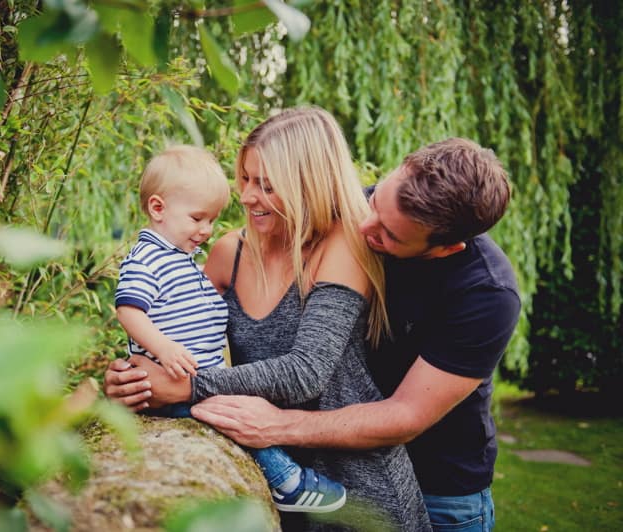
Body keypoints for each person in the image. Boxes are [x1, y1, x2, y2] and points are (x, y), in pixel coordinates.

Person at [163, 137, 521, 531]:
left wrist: (278, 425)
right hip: (330, 462)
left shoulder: (486, 295)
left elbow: (405, 415)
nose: (364, 226)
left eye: (390, 235)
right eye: (375, 202)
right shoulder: (353, 220)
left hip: (443, 486)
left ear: (446, 248)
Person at [108, 108, 431, 531]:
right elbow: (175, 328)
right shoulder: (229, 253)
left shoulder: (343, 245)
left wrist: (185, 386)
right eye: (244, 178)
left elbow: (306, 372)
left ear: (307, 185)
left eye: (266, 185)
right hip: (274, 479)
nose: (246, 196)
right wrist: (133, 379)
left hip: (358, 488)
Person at [114, 144, 348, 515]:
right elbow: (129, 310)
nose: (206, 231)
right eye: (197, 218)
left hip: (196, 380)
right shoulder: (148, 259)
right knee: (237, 423)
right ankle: (286, 481)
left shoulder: (181, 259)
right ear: (158, 209)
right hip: (182, 383)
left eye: (211, 220)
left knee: (234, 416)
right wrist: (159, 351)